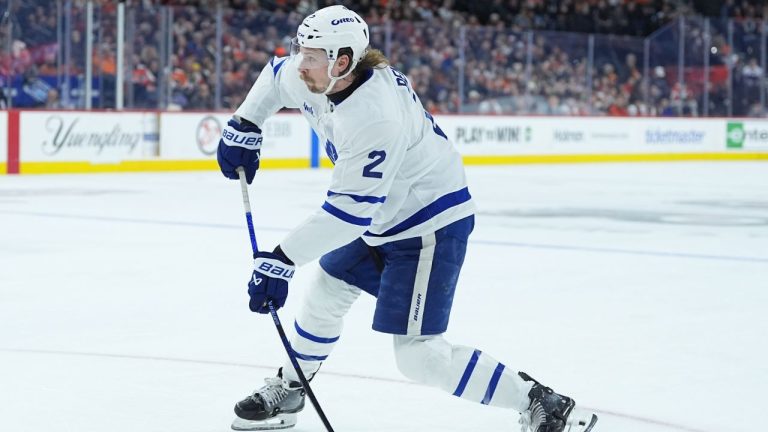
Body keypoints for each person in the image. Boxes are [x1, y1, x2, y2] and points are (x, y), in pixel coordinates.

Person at [216, 5, 597, 432]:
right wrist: (244, 123)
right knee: (325, 291)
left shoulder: (374, 115)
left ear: (342, 62)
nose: (299, 63)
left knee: (419, 355)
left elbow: (348, 213)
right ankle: (292, 387)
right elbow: (274, 76)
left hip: (427, 225)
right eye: (300, 51)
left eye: (311, 56)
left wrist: (282, 260)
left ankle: (541, 401)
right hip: (381, 215)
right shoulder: (319, 71)